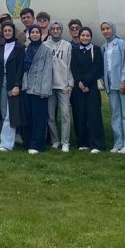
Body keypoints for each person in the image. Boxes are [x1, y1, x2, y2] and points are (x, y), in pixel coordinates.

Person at [101, 21, 125, 154]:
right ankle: (118, 143)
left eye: (108, 28)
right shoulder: (104, 47)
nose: (106, 31)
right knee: (115, 115)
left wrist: (123, 81)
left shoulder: (121, 44)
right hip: (111, 86)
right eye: (103, 29)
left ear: (113, 29)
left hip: (122, 84)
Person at [70, 27, 106, 153]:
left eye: (87, 35)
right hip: (78, 87)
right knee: (80, 114)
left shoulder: (95, 49)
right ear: (79, 37)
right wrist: (79, 82)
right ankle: (82, 141)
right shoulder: (74, 51)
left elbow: (97, 68)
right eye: (83, 35)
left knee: (94, 115)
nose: (85, 38)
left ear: (91, 37)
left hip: (92, 87)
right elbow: (73, 67)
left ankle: (97, 144)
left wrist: (86, 83)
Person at [20, 26, 54, 154]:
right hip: (27, 87)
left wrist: (44, 90)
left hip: (40, 88)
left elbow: (48, 70)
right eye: (32, 32)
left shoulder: (46, 50)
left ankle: (37, 144)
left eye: (37, 32)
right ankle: (28, 142)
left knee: (39, 118)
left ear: (40, 34)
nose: (34, 34)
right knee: (29, 116)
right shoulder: (27, 49)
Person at [0, 21, 25, 152]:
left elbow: (20, 68)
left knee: (10, 113)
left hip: (13, 82)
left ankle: (6, 144)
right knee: (4, 110)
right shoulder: (0, 47)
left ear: (13, 32)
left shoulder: (19, 48)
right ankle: (11, 137)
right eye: (5, 31)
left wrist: (17, 85)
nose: (7, 33)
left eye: (9, 30)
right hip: (1, 81)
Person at [44, 21, 74, 152]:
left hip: (63, 85)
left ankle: (65, 142)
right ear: (50, 31)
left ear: (61, 30)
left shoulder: (67, 45)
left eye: (58, 29)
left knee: (65, 114)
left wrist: (70, 84)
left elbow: (70, 65)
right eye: (53, 29)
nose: (55, 31)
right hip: (49, 86)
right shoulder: (45, 45)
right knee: (50, 115)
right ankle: (55, 140)